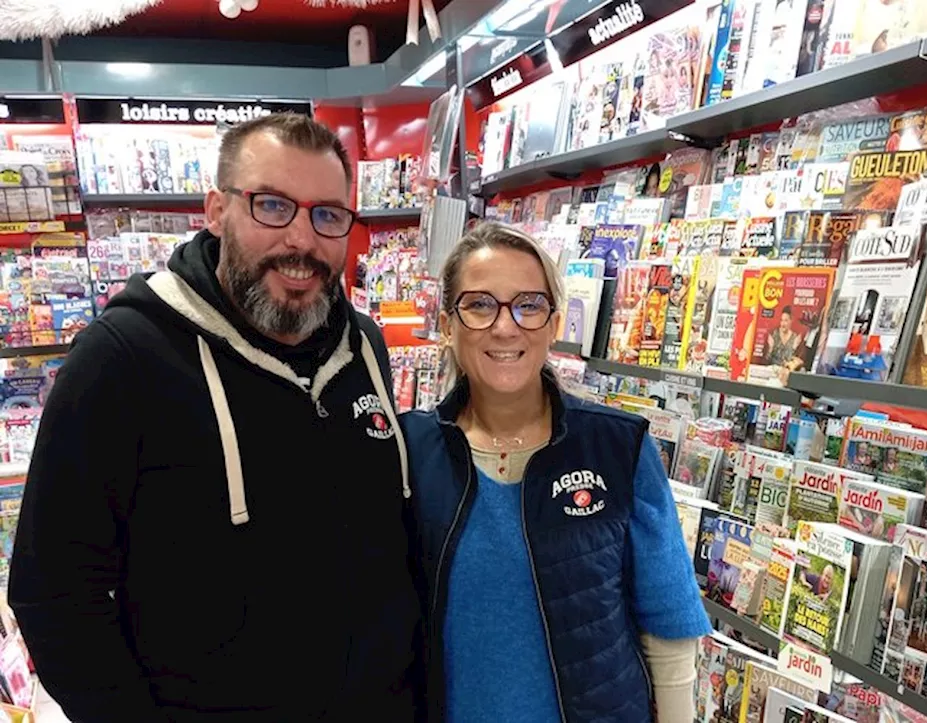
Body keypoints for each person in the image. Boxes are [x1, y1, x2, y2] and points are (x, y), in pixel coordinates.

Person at [10, 113, 421, 722]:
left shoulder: (363, 345)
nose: (303, 242)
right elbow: (56, 594)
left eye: (327, 215)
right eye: (272, 206)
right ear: (215, 211)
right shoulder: (122, 358)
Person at [401, 222, 710, 723]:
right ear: (446, 324)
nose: (505, 327)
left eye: (529, 305)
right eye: (480, 305)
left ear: (555, 322)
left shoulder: (618, 447)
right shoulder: (410, 450)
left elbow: (669, 624)